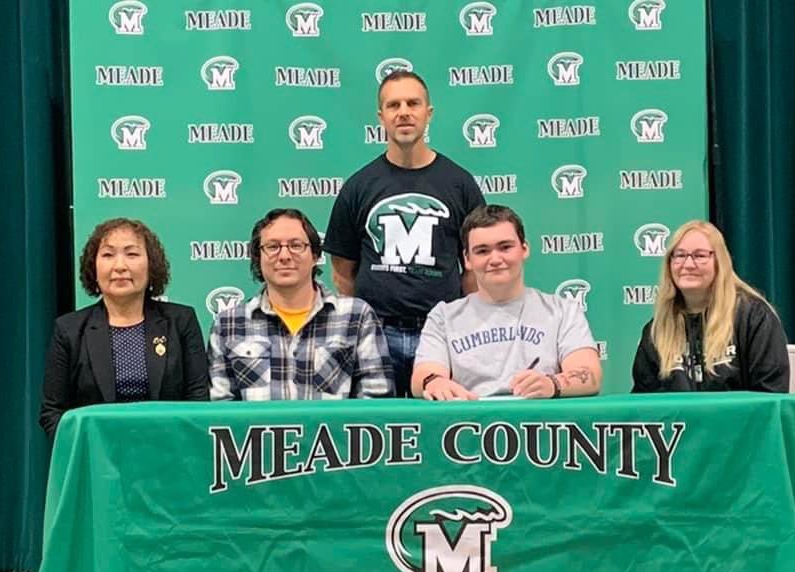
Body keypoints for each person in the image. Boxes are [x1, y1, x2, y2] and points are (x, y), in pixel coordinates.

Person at [322, 69, 485, 397]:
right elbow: (342, 273)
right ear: (381, 117)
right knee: (377, 431)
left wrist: (459, 322)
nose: (404, 112)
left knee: (442, 427)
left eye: (413, 103)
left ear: (429, 113)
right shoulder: (358, 186)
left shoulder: (460, 184)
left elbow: (473, 269)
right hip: (376, 334)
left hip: (442, 333)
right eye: (393, 105)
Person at [39, 218, 209, 438]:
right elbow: (52, 413)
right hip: (98, 461)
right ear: (93, 266)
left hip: (170, 455)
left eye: (132, 254)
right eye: (108, 255)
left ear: (151, 265)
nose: (120, 266)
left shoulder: (181, 321)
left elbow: (198, 402)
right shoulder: (69, 329)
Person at [411, 205, 602, 400]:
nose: (495, 259)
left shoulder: (563, 310)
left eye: (505, 247)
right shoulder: (443, 316)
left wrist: (553, 383)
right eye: (482, 251)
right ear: (467, 260)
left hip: (541, 422)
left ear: (524, 249)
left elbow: (590, 374)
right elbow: (422, 376)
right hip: (470, 422)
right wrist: (435, 382)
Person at [208, 208, 394, 400]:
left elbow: (375, 402)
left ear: (314, 255)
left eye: (296, 246)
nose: (284, 256)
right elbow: (220, 410)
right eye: (272, 247)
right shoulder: (229, 324)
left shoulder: (356, 316)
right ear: (258, 257)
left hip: (331, 430)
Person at [631, 219, 790, 392]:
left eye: (700, 256)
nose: (688, 265)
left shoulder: (754, 318)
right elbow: (643, 402)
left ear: (719, 262)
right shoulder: (657, 330)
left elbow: (771, 395)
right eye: (680, 255)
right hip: (681, 419)